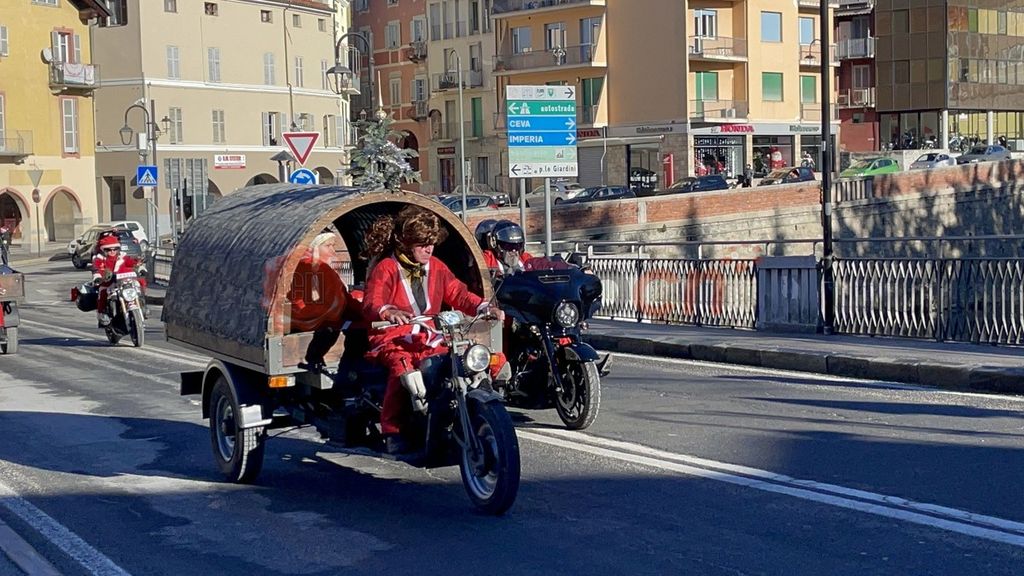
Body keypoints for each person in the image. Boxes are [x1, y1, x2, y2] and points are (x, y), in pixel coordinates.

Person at [361, 206, 504, 454]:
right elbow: (372, 301)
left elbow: (458, 293)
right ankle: (392, 431)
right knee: (403, 370)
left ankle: (468, 404)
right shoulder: (386, 267)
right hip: (393, 336)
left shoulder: (436, 266)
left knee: (461, 357)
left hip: (428, 334)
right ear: (406, 244)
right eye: (422, 245)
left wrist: (482, 307)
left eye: (431, 244)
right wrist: (388, 311)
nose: (429, 249)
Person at [92, 235, 146, 327]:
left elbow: (132, 263)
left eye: (115, 249)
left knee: (140, 284)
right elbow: (96, 268)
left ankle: (143, 304)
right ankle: (102, 313)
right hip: (109, 283)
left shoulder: (123, 257)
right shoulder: (100, 259)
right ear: (104, 250)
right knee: (103, 292)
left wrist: (139, 265)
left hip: (125, 281)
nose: (112, 251)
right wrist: (98, 276)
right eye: (108, 250)